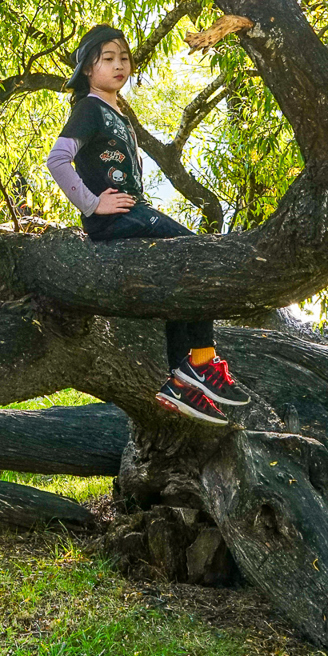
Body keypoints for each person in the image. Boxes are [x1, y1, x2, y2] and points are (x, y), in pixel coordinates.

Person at [44, 23, 251, 423]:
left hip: (133, 213)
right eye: (108, 59)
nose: (119, 65)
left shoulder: (116, 111)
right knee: (196, 249)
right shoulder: (89, 109)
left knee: (181, 269)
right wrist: (91, 204)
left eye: (124, 57)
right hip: (116, 219)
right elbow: (57, 159)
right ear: (88, 67)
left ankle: (181, 379)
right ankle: (199, 363)